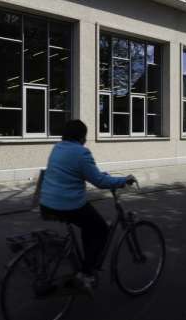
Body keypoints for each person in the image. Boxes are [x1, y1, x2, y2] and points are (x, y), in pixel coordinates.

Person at [39, 119, 136, 294]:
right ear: (81, 137)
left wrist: (98, 174)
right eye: (85, 136)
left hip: (47, 202)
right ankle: (85, 275)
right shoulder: (81, 152)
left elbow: (78, 171)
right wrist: (123, 180)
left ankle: (85, 265)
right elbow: (99, 181)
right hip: (68, 204)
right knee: (101, 229)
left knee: (88, 226)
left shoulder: (57, 148)